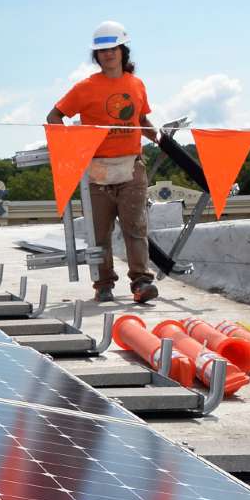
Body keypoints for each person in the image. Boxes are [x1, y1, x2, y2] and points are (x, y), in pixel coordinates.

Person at [47, 20, 159, 304]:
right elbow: (54, 116)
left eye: (112, 49)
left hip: (131, 167)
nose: (107, 54)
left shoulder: (136, 84)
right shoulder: (85, 88)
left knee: (135, 227)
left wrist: (156, 135)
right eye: (102, 51)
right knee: (99, 233)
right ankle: (104, 284)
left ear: (123, 50)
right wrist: (73, 144)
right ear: (96, 56)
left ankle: (142, 282)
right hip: (96, 170)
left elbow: (141, 120)